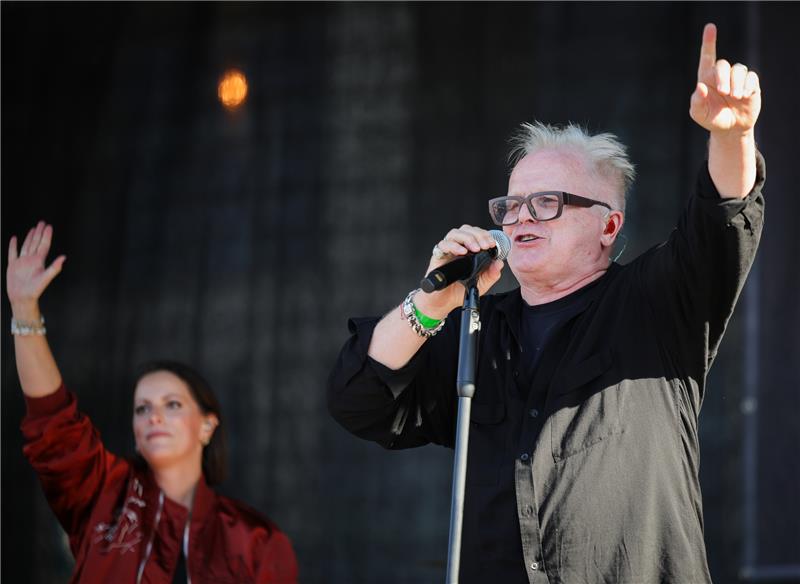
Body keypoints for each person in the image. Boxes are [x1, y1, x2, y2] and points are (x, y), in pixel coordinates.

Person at [328, 23, 763, 584]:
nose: (521, 217)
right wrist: (435, 301)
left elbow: (723, 219)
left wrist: (731, 136)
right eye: (511, 205)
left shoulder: (655, 302)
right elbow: (359, 399)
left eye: (548, 202)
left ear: (608, 225)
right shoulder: (476, 330)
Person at [7, 222, 299, 583]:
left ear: (207, 425)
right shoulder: (101, 495)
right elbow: (53, 420)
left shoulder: (256, 538)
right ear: (134, 430)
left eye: (172, 404)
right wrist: (24, 309)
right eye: (142, 408)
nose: (154, 416)